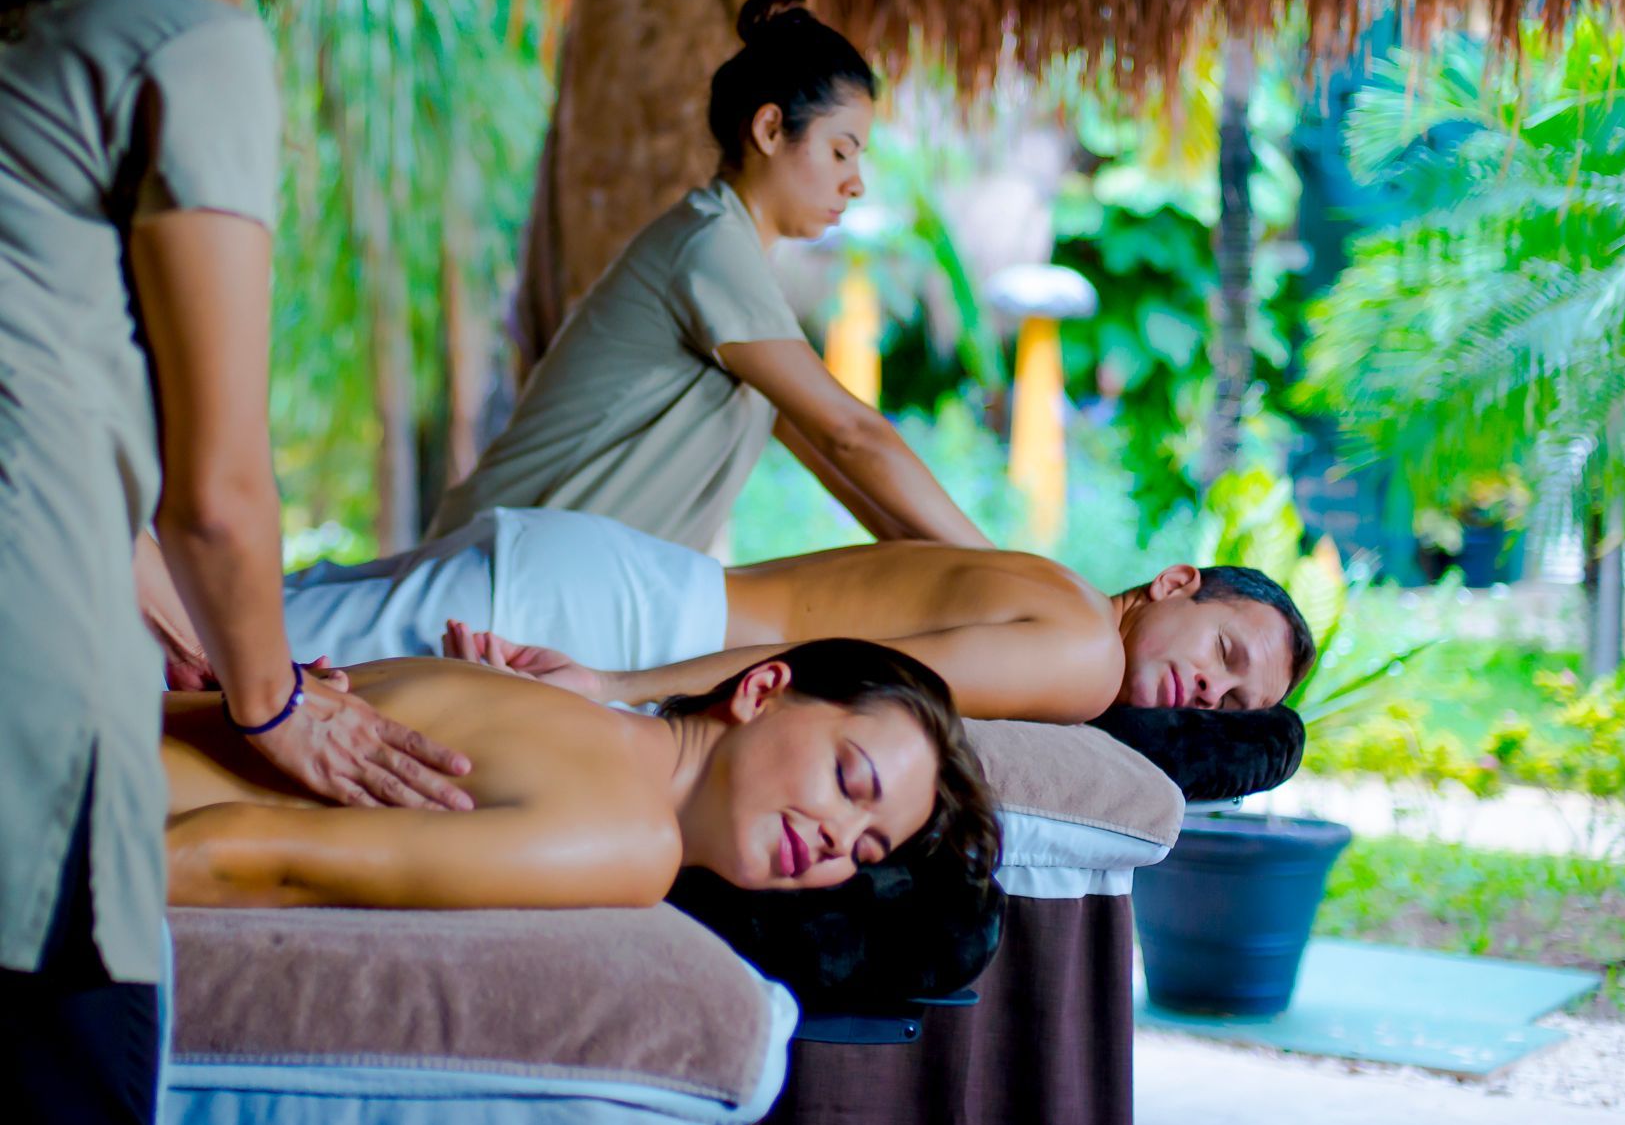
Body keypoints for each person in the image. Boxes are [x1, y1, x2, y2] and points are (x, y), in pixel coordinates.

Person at [0, 0, 470, 1125]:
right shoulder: (186, 43)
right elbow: (218, 489)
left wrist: (175, 619)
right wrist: (274, 710)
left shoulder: (24, 15)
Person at [426, 0, 990, 554]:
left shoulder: (737, 269)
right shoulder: (710, 246)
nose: (856, 183)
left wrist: (967, 571)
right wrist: (1007, 571)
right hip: (490, 569)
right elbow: (850, 434)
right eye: (841, 152)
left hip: (540, 571)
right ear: (770, 130)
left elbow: (839, 466)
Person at [142, 507, 1314, 725]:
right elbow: (847, 661)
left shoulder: (1050, 584)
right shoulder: (1083, 659)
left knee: (208, 625)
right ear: (1175, 583)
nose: (1209, 692)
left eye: (1233, 701)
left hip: (606, 572)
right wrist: (611, 687)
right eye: (1225, 652)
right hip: (620, 629)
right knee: (196, 662)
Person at [163, 641, 999, 910]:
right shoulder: (637, 841)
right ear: (761, 689)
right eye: (850, 780)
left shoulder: (549, 711)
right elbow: (248, 854)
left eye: (866, 849)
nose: (838, 840)